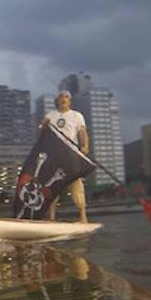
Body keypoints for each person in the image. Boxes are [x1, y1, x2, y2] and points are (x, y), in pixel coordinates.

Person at [43, 90, 90, 223]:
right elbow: (42, 134)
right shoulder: (50, 116)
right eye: (61, 97)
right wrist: (44, 127)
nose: (63, 99)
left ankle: (83, 217)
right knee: (52, 185)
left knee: (76, 185)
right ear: (57, 100)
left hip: (71, 154)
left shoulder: (76, 115)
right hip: (54, 155)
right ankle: (51, 218)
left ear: (70, 101)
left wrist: (85, 145)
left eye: (66, 97)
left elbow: (82, 132)